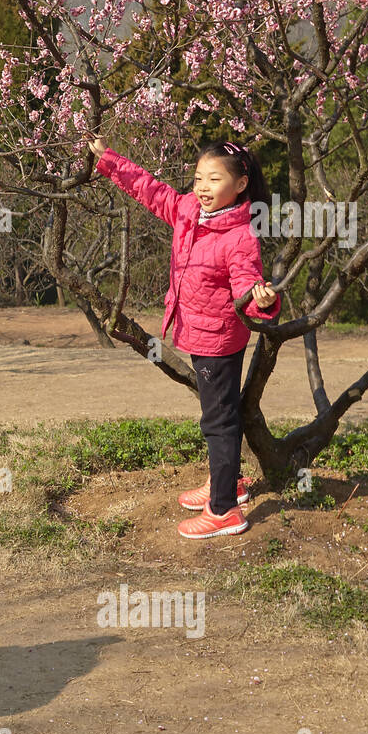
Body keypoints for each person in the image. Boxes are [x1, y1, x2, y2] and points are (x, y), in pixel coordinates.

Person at [89, 137, 281, 539]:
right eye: (198, 178)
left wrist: (261, 303)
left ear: (241, 185)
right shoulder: (189, 211)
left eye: (214, 179)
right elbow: (151, 190)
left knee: (218, 421)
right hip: (197, 331)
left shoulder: (240, 235)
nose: (203, 187)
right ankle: (227, 482)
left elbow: (247, 287)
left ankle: (225, 509)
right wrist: (109, 160)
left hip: (218, 340)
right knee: (220, 414)